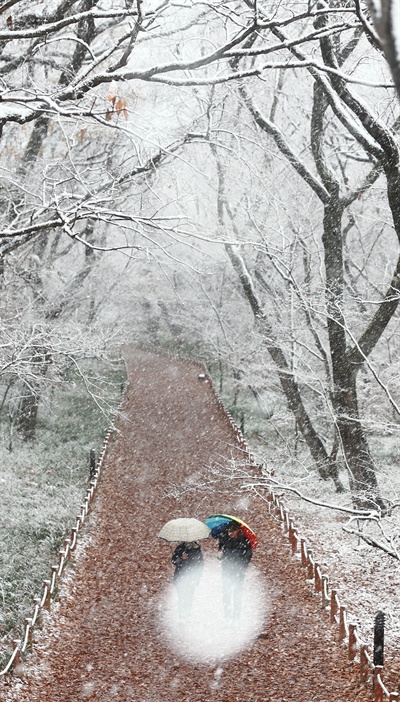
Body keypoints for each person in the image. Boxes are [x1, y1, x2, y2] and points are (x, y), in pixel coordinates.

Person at [218, 522, 252, 624]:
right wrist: (219, 555)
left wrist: (242, 565)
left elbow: (248, 556)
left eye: (232, 531)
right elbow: (220, 552)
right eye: (228, 531)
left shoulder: (244, 541)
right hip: (227, 570)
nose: (230, 533)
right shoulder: (224, 540)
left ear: (237, 530)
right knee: (226, 593)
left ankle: (236, 618)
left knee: (237, 594)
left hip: (238, 571)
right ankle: (227, 617)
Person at [172, 541, 203, 623]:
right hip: (180, 577)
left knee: (189, 597)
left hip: (191, 578)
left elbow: (200, 564)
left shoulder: (196, 549)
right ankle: (182, 616)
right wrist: (181, 559)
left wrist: (197, 577)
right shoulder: (180, 548)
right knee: (182, 597)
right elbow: (174, 560)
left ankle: (187, 615)